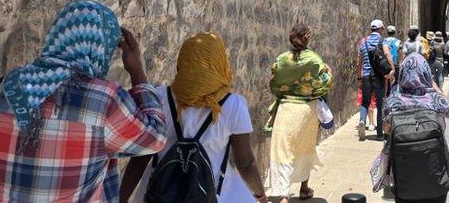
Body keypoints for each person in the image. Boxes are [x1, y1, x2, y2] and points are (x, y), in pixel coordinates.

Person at [0, 0, 168, 202]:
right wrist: (138, 73)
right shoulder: (105, 102)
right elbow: (155, 138)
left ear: (56, 36)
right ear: (102, 49)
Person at [120, 32, 267, 202]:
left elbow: (141, 157)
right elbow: (246, 164)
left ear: (182, 63)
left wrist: (120, 198)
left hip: (159, 195)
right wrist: (260, 194)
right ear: (220, 64)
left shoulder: (159, 98)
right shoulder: (233, 105)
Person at [263, 24, 333, 202]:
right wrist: (329, 73)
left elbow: (274, 85)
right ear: (308, 37)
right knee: (305, 148)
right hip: (306, 111)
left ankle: (283, 193)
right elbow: (324, 84)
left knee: (282, 151)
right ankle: (303, 188)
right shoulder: (314, 60)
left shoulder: (282, 59)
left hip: (286, 109)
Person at [382, 55, 449, 203]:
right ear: (426, 73)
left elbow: (386, 129)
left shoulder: (393, 101)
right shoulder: (435, 99)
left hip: (405, 178)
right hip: (436, 176)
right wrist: (435, 88)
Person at [357, 19, 395, 141]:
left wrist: (359, 76)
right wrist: (392, 69)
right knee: (380, 104)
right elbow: (388, 54)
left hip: (366, 76)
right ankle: (379, 134)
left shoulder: (363, 42)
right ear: (380, 29)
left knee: (365, 102)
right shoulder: (381, 41)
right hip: (378, 77)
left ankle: (362, 120)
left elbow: (359, 62)